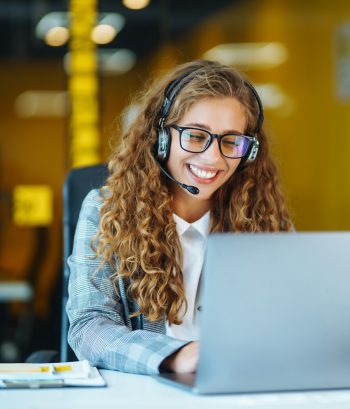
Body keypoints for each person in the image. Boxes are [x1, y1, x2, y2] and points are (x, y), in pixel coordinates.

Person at [66, 59, 293, 376]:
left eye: (230, 141)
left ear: (248, 152)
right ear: (160, 138)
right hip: (149, 389)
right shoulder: (106, 210)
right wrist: (176, 356)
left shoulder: (264, 219)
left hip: (236, 387)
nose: (213, 158)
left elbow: (293, 321)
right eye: (197, 136)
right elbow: (89, 327)